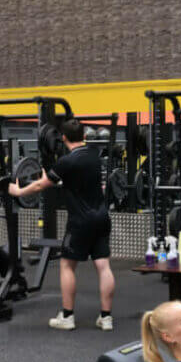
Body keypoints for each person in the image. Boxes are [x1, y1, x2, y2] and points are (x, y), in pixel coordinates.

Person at [9, 119, 115, 331]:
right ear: (84, 135)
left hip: (80, 221)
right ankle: (106, 318)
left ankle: (67, 316)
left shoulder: (67, 162)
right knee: (103, 266)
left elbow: (41, 184)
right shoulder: (94, 157)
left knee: (67, 265)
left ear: (63, 138)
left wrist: (18, 191)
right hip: (102, 217)